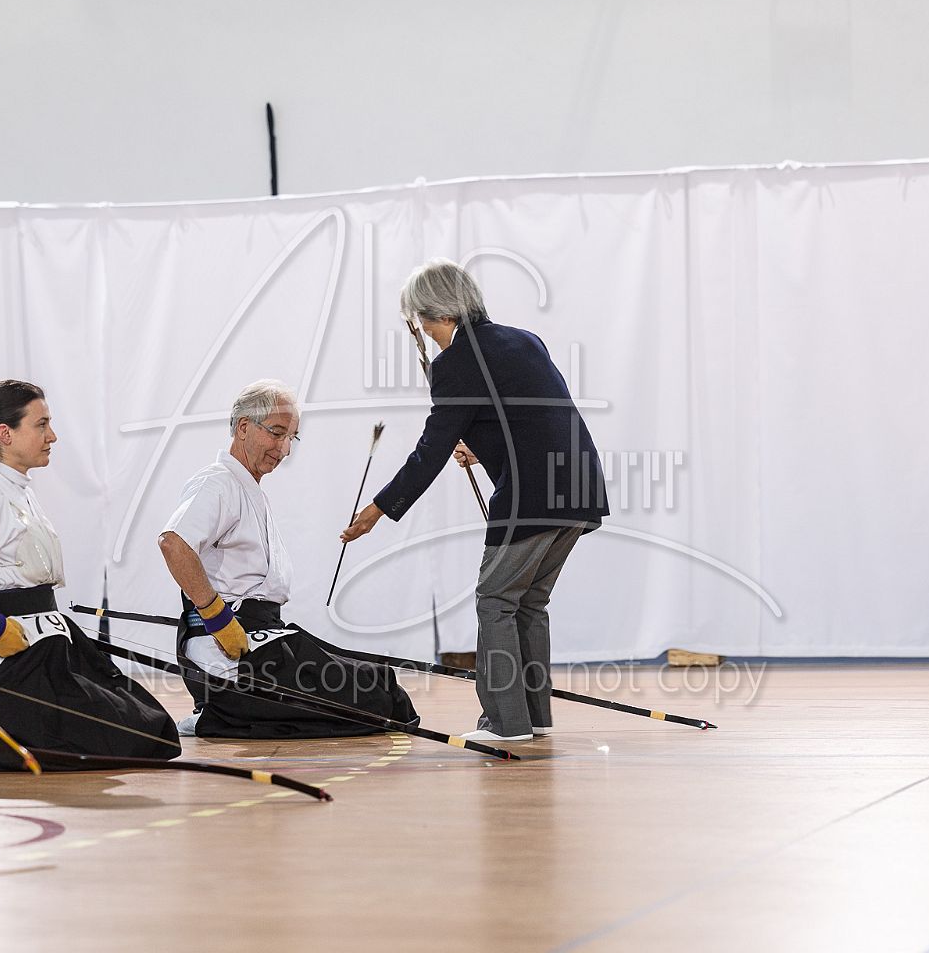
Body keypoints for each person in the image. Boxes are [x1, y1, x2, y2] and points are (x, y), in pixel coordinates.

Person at [341, 260, 609, 742]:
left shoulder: (456, 362)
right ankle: (534, 718)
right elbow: (532, 421)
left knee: (496, 600)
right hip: (579, 488)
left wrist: (377, 510)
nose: (422, 331)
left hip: (532, 496)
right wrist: (483, 448)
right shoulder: (524, 340)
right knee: (529, 603)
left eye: (421, 320)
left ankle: (505, 723)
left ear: (440, 313)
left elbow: (430, 451)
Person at [0, 379, 179, 769]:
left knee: (150, 726)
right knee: (126, 737)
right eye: (41, 425)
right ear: (6, 434)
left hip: (45, 651)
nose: (52, 436)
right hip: (5, 662)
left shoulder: (19, 491)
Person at [158, 379, 417, 738]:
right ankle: (217, 714)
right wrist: (218, 618)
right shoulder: (217, 483)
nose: (284, 449)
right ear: (244, 427)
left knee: (382, 686)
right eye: (277, 434)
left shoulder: (247, 489)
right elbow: (173, 544)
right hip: (232, 656)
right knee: (377, 699)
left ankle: (226, 713)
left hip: (262, 643)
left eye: (291, 438)